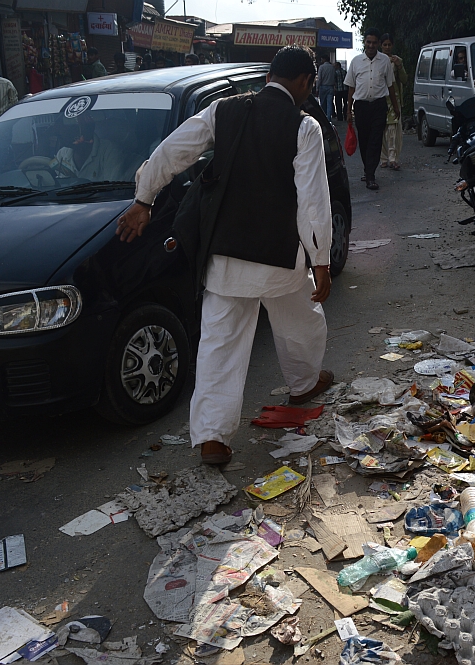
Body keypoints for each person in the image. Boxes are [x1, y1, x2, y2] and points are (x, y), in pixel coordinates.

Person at [114, 45, 335, 466]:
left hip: (225, 253)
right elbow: (313, 201)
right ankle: (304, 383)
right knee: (301, 318)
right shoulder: (303, 126)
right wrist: (320, 259)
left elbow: (173, 150)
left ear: (270, 74)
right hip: (279, 255)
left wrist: (143, 199)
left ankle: (213, 439)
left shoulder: (223, 110)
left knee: (220, 343)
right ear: (306, 82)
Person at [345, 28, 400, 190]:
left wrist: (396, 108)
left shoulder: (385, 61)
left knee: (376, 141)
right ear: (364, 42)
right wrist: (348, 111)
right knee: (364, 140)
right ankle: (367, 169)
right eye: (368, 42)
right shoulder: (356, 61)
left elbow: (391, 87)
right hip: (361, 107)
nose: (371, 45)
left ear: (378, 44)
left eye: (374, 42)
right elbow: (350, 88)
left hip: (379, 106)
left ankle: (370, 176)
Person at [49, 113, 125, 181]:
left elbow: (113, 189)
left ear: (79, 131)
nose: (58, 135)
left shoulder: (109, 151)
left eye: (63, 133)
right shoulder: (62, 154)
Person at [378, 34, 406, 171]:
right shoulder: (377, 61)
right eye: (385, 45)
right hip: (380, 99)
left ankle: (393, 158)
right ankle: (383, 158)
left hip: (394, 100)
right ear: (381, 46)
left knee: (393, 130)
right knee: (381, 130)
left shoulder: (397, 60)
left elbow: (405, 80)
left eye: (389, 45)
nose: (387, 47)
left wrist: (399, 66)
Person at [317, 54, 335, 120]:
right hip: (331, 87)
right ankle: (329, 119)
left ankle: (324, 119)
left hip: (323, 87)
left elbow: (319, 79)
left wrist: (317, 88)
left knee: (323, 104)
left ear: (324, 59)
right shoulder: (332, 67)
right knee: (329, 104)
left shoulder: (321, 67)